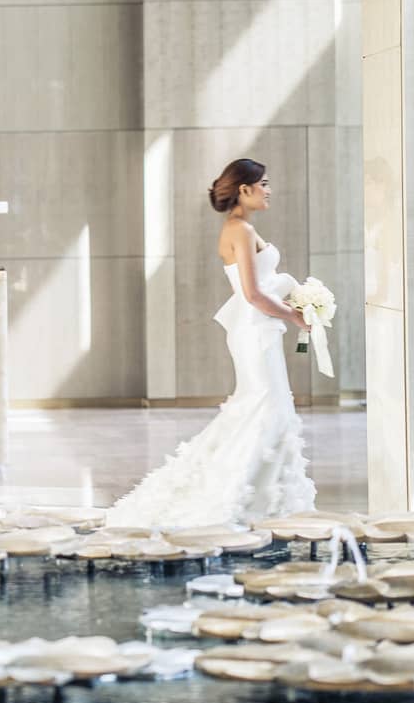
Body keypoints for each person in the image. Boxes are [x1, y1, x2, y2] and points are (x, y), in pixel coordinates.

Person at [108, 158, 318, 527]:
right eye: (264, 184)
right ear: (244, 189)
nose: (269, 191)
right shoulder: (240, 231)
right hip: (255, 329)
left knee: (268, 408)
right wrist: (294, 314)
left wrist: (294, 299)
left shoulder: (240, 228)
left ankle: (268, 500)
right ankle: (239, 497)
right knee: (263, 408)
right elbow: (252, 294)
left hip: (258, 329)